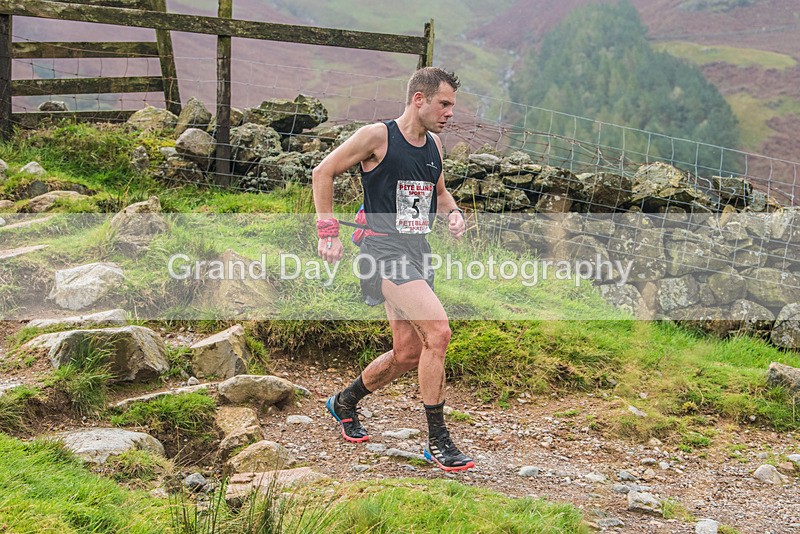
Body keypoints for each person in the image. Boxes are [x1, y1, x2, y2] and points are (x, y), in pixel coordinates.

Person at [311, 67, 474, 472]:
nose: (449, 112)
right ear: (419, 99)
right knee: (439, 332)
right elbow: (323, 172)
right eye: (444, 103)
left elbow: (438, 193)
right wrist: (327, 232)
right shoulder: (377, 137)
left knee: (407, 352)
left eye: (451, 105)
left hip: (417, 251)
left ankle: (344, 401)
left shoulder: (434, 145)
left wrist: (452, 213)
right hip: (381, 252)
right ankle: (437, 441)